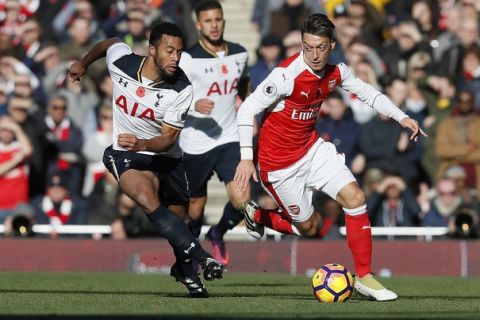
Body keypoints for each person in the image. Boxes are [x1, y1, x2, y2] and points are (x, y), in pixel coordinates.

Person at [234, 13, 426, 301]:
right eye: (307, 47)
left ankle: (364, 277)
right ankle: (258, 214)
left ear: (332, 45)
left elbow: (369, 94)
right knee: (309, 228)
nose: (313, 54)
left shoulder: (337, 72)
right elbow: (247, 110)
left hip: (312, 150)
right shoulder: (286, 76)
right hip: (279, 166)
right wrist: (246, 157)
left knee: (355, 197)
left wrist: (402, 117)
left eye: (320, 47)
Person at [68, 21, 224, 298]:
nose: (175, 58)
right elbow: (109, 42)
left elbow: (168, 140)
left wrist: (143, 143)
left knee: (180, 223)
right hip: (126, 154)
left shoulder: (181, 88)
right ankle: (204, 257)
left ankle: (183, 269)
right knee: (145, 197)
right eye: (169, 51)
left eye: (179, 52)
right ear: (151, 50)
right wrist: (83, 63)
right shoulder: (122, 63)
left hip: (166, 158)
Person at [178, 0, 251, 266]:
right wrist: (193, 104)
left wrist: (247, 110)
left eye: (218, 19)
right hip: (195, 142)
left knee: (243, 200)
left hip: (229, 137)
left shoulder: (240, 53)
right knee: (195, 208)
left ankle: (218, 232)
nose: (214, 25)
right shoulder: (188, 58)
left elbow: (244, 84)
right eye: (208, 21)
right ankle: (192, 258)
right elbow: (173, 95)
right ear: (198, 24)